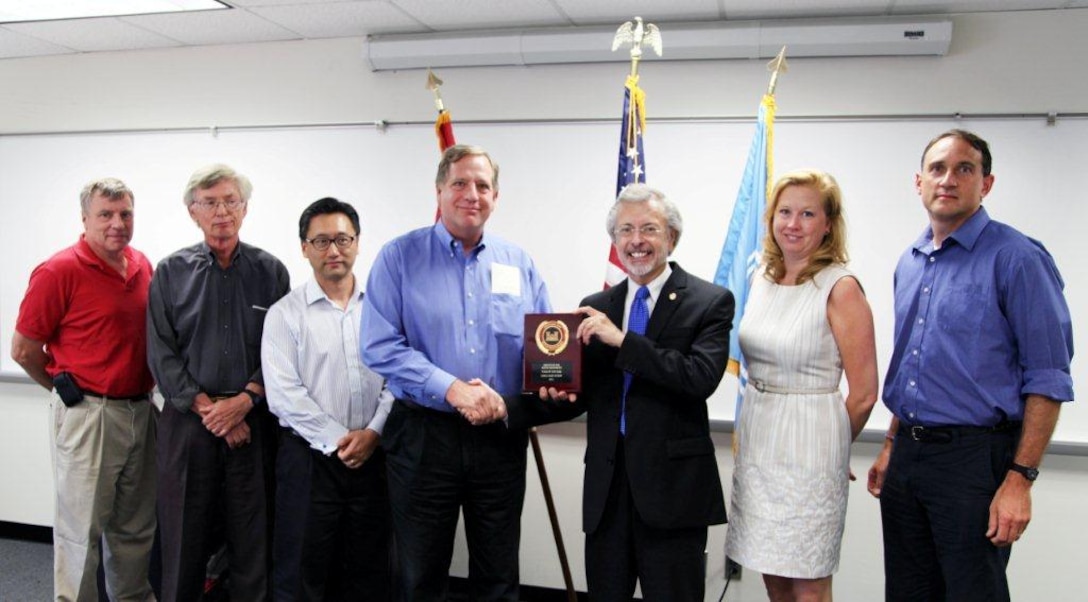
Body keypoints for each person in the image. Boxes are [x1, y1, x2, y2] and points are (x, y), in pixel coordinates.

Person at [867, 129, 1074, 602]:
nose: (948, 179)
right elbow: (915, 367)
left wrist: (1020, 480)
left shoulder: (1017, 258)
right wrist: (892, 444)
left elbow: (1048, 377)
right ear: (919, 181)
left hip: (976, 462)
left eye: (965, 169)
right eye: (937, 169)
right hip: (908, 458)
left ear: (987, 183)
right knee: (908, 592)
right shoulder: (911, 261)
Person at [511, 183, 735, 601]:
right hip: (607, 492)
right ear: (614, 241)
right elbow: (586, 390)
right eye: (625, 230)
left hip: (673, 495)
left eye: (649, 229)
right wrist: (546, 397)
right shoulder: (595, 305)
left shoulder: (710, 301)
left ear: (672, 237)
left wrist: (622, 340)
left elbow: (699, 378)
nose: (636, 241)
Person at [360, 144, 550, 601]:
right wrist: (451, 390)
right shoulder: (398, 257)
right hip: (424, 436)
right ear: (440, 190)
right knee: (418, 573)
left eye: (482, 185)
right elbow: (378, 346)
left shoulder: (518, 262)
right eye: (460, 183)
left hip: (499, 438)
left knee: (499, 573)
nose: (472, 194)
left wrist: (555, 380)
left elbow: (542, 342)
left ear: (496, 196)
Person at [724, 170, 879, 602]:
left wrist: (833, 444)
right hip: (760, 440)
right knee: (773, 573)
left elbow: (865, 392)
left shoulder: (840, 287)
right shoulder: (762, 280)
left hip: (812, 443)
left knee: (808, 583)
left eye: (807, 214)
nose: (793, 224)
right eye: (785, 212)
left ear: (828, 223)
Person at [147, 164, 290, 602]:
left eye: (230, 201)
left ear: (245, 208)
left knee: (252, 540)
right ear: (193, 211)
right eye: (210, 203)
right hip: (191, 423)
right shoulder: (170, 272)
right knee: (183, 538)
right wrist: (212, 410)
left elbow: (283, 351)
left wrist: (244, 403)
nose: (221, 211)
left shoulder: (272, 272)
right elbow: (161, 353)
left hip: (252, 424)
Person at [11, 178, 157, 602]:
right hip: (90, 414)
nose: (117, 223)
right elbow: (23, 349)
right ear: (85, 219)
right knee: (81, 534)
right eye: (105, 215)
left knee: (134, 529)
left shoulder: (143, 264)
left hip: (141, 411)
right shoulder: (59, 270)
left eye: (125, 214)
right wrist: (64, 392)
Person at [262, 197, 393, 601]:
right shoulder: (284, 314)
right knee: (303, 570)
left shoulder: (384, 310)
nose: (333, 250)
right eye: (321, 241)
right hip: (309, 462)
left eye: (342, 239)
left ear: (357, 242)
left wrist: (372, 433)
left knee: (369, 569)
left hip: (375, 458)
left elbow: (397, 379)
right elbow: (284, 395)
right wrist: (343, 439)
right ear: (304, 248)